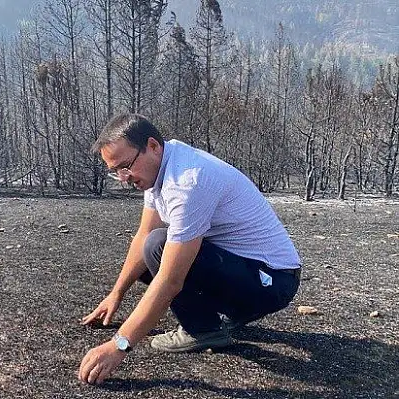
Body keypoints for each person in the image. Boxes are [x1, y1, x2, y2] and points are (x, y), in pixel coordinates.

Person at [77, 113, 301, 385]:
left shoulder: (187, 182)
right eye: (116, 171)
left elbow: (171, 280)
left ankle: (204, 330)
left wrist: (119, 345)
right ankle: (223, 317)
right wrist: (116, 293)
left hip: (272, 281)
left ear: (152, 146)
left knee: (159, 248)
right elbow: (143, 234)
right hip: (244, 270)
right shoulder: (158, 168)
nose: (124, 178)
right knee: (152, 250)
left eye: (125, 166)